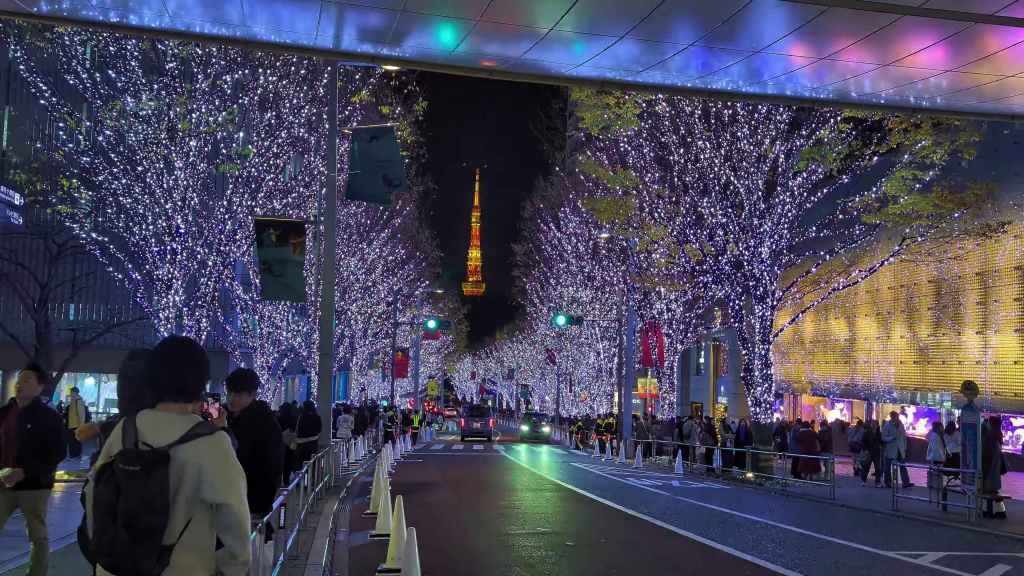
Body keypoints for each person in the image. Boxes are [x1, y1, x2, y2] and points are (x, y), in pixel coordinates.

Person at [85, 335, 250, 575]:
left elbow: (95, 492)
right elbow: (235, 520)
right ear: (201, 383)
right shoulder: (212, 442)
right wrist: (231, 567)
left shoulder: (127, 428)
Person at [0, 364, 66, 576]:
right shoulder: (4, 413)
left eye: (27, 380)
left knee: (37, 536)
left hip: (34, 485)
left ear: (40, 387)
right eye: (19, 379)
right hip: (2, 482)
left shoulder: (49, 417)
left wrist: (26, 470)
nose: (20, 384)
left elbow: (57, 452)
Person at [223, 368, 284, 521]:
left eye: (237, 394)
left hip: (250, 504)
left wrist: (259, 506)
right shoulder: (224, 417)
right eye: (229, 392)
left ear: (252, 395)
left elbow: (271, 466)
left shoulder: (265, 423)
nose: (231, 398)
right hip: (224, 500)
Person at [881, 410, 913, 488]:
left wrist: (905, 447)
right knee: (887, 466)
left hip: (900, 449)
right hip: (891, 449)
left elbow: (904, 437)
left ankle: (905, 482)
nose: (896, 418)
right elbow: (883, 438)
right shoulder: (887, 425)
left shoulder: (901, 424)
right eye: (894, 417)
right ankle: (887, 482)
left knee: (902, 466)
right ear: (891, 417)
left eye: (896, 416)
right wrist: (892, 438)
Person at [63, 386, 91, 459]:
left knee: (75, 441)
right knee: (72, 441)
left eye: (72, 392)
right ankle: (74, 455)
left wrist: (81, 425)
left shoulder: (78, 401)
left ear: (75, 392)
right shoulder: (74, 401)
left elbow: (81, 414)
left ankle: (76, 455)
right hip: (72, 424)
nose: (71, 394)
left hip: (76, 425)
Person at [293, 401, 322, 469]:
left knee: (301, 462)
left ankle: (302, 477)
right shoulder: (317, 416)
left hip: (302, 442)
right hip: (313, 442)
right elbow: (319, 429)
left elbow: (297, 429)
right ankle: (311, 478)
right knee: (312, 462)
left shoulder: (301, 416)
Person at [859, 419, 884, 487]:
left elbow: (881, 441)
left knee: (877, 468)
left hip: (876, 452)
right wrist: (865, 449)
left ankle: (877, 482)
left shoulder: (879, 432)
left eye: (875, 424)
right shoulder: (867, 432)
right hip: (869, 451)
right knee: (866, 467)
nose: (873, 425)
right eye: (872, 424)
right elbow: (863, 441)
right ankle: (863, 480)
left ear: (877, 425)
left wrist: (881, 445)